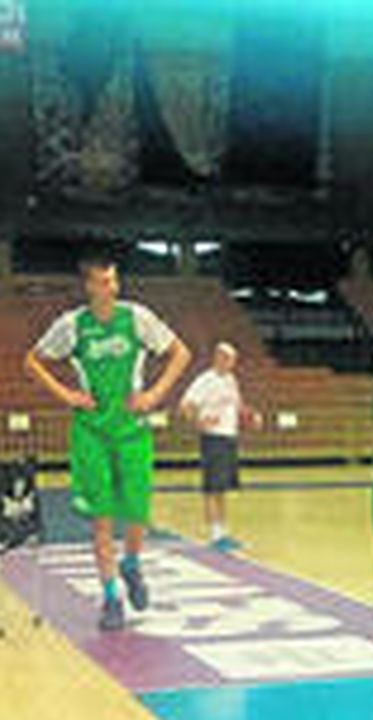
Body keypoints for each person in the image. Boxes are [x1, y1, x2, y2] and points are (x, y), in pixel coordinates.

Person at [24, 256, 191, 630]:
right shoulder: (71, 325)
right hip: (92, 433)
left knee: (137, 514)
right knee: (102, 519)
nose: (112, 287)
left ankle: (131, 563)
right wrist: (67, 395)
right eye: (103, 281)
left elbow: (181, 353)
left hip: (132, 430)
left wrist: (155, 394)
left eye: (114, 280)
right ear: (89, 286)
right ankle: (112, 596)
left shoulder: (137, 317)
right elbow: (31, 361)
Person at [179, 342, 261, 551]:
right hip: (213, 439)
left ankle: (223, 532)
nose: (232, 363)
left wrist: (250, 416)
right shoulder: (205, 381)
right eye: (230, 359)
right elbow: (186, 405)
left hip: (229, 437)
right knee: (213, 487)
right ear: (219, 358)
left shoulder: (230, 380)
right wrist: (198, 422)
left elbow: (238, 405)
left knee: (222, 488)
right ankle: (215, 534)